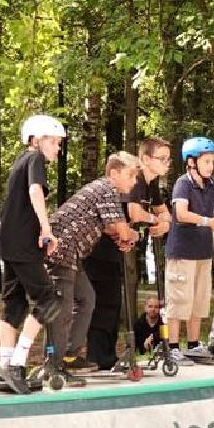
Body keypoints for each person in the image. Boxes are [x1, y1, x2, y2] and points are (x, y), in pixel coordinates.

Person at [81, 137, 173, 370]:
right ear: (145, 160)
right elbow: (135, 211)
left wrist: (162, 223)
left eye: (168, 158)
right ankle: (97, 356)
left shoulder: (152, 183)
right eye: (162, 158)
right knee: (102, 302)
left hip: (118, 243)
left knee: (113, 302)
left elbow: (164, 213)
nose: (167, 163)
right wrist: (154, 221)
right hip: (99, 245)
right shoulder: (138, 179)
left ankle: (107, 355)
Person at [0, 115, 66, 395]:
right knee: (50, 299)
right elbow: (36, 191)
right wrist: (46, 228)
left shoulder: (20, 162)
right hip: (22, 244)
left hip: (8, 243)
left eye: (59, 143)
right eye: (53, 141)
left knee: (14, 305)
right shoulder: (34, 159)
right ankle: (17, 363)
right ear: (36, 139)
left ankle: (5, 367)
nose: (57, 148)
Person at [48, 154, 141, 375]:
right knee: (62, 309)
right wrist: (130, 236)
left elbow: (109, 227)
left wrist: (122, 237)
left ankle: (70, 355)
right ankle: (54, 363)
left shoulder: (106, 191)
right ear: (114, 173)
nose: (134, 181)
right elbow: (122, 229)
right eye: (131, 175)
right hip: (62, 252)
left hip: (73, 255)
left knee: (87, 299)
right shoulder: (107, 189)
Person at [164, 136, 214, 362]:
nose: (211, 166)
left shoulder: (211, 184)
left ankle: (193, 344)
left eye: (212, 161)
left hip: (203, 251)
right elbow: (180, 213)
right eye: (206, 161)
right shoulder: (183, 183)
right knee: (179, 299)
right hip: (182, 251)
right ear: (192, 162)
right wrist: (207, 221)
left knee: (198, 300)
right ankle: (172, 347)